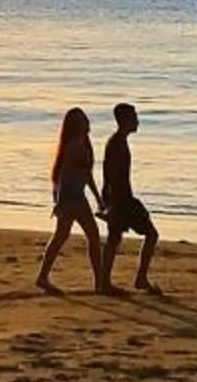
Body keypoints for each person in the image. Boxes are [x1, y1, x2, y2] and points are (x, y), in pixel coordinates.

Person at [35, 105, 106, 294]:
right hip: (70, 195)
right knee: (91, 234)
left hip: (75, 194)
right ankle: (99, 282)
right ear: (76, 125)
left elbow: (87, 174)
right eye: (82, 120)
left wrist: (98, 198)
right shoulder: (74, 145)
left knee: (63, 235)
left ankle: (43, 277)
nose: (87, 122)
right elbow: (65, 175)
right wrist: (60, 201)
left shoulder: (84, 142)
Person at [99, 101, 160, 292]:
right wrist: (113, 205)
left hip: (121, 198)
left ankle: (110, 281)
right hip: (121, 199)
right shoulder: (117, 143)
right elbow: (113, 175)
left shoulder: (119, 141)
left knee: (115, 238)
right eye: (134, 117)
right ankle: (112, 281)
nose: (138, 121)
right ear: (124, 120)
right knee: (148, 234)